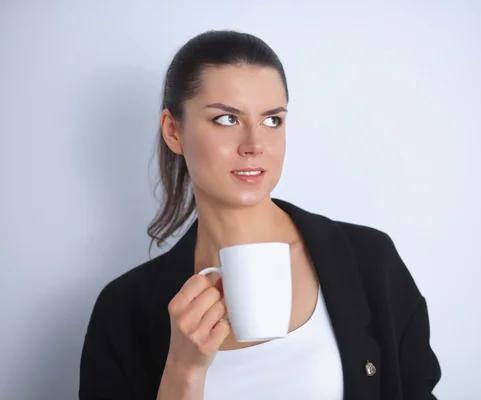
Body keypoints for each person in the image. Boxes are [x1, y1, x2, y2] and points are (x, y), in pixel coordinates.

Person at [79, 30, 441, 400]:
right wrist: (182, 370)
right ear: (174, 132)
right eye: (226, 119)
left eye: (272, 121)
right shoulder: (123, 310)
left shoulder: (369, 260)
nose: (254, 145)